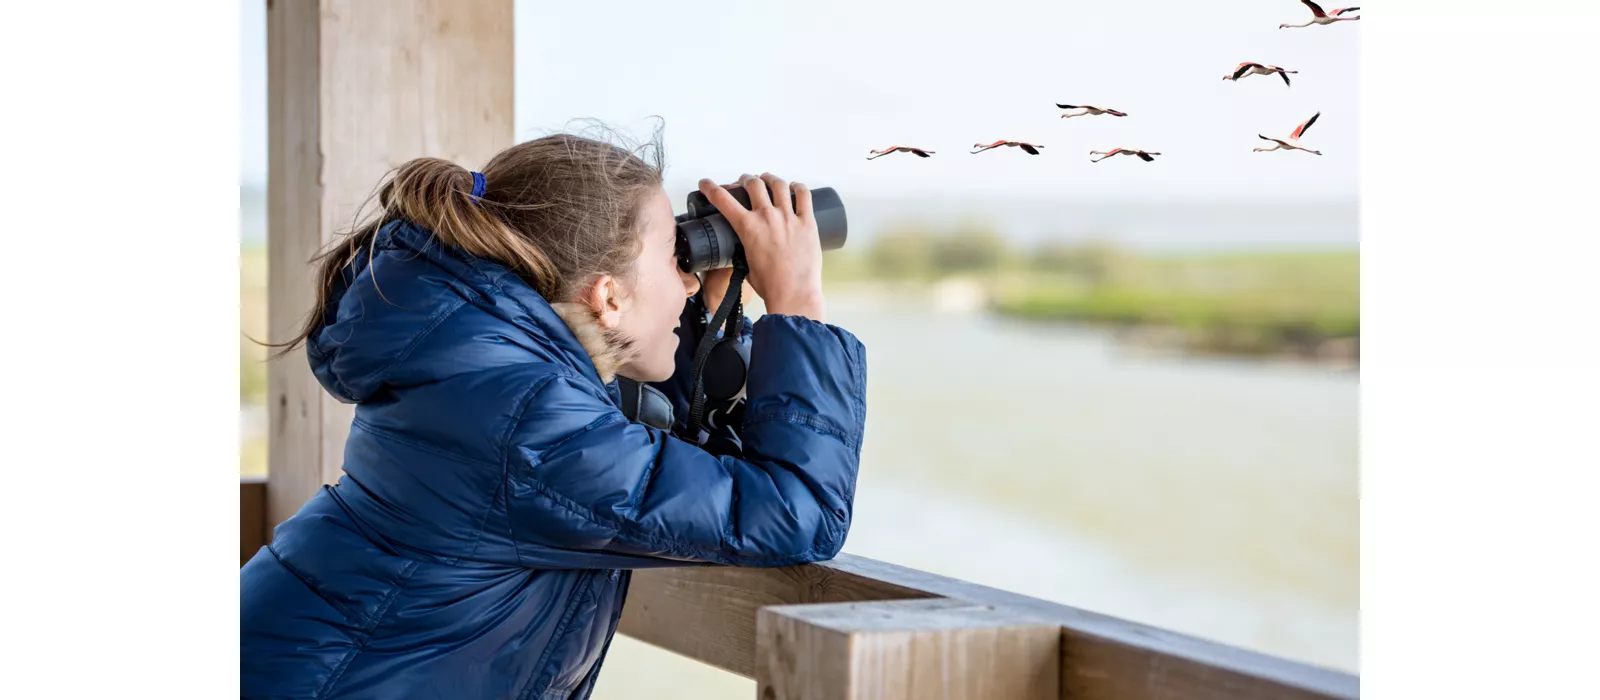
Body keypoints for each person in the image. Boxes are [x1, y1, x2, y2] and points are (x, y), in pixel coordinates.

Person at [240, 132, 868, 700]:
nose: (685, 279)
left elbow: (664, 468)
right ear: (608, 296)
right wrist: (800, 306)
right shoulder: (527, 423)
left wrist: (704, 316)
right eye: (672, 257)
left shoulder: (483, 372)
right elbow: (796, 511)